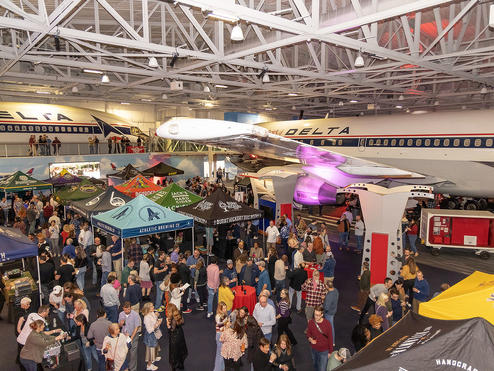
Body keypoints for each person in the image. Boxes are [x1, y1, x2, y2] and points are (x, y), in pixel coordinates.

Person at [306, 306, 333, 371]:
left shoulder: (327, 324)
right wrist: (310, 339)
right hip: (314, 349)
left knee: (322, 369)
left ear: (322, 315)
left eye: (318, 315)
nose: (316, 317)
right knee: (315, 365)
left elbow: (330, 338)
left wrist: (330, 352)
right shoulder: (311, 322)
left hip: (324, 351)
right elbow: (308, 334)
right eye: (315, 314)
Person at [118, 302, 141, 371]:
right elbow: (119, 326)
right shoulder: (121, 314)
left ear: (130, 308)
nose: (127, 311)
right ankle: (125, 367)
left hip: (133, 335)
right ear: (123, 308)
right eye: (125, 310)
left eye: (128, 309)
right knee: (123, 352)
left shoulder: (135, 315)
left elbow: (136, 327)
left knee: (133, 353)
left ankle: (132, 368)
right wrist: (121, 324)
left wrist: (131, 338)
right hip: (124, 336)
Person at [167, 303, 188, 371]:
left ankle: (174, 367)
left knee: (174, 353)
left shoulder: (172, 318)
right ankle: (181, 365)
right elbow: (182, 322)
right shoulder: (179, 313)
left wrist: (168, 325)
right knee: (181, 350)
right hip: (180, 335)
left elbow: (172, 330)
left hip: (174, 338)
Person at [142, 302, 162, 371]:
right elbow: (149, 330)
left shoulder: (152, 313)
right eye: (151, 306)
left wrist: (156, 316)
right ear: (148, 309)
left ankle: (155, 356)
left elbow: (154, 320)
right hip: (150, 336)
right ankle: (149, 365)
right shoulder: (146, 318)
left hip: (154, 334)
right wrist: (157, 324)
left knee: (155, 346)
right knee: (150, 352)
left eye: (153, 306)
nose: (153, 307)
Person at [214, 302, 229, 371]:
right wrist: (226, 325)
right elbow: (220, 328)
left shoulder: (224, 314)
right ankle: (217, 369)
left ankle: (222, 368)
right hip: (220, 335)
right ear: (220, 309)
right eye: (224, 308)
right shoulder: (218, 316)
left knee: (222, 353)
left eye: (226, 308)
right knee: (220, 353)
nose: (225, 309)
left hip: (223, 334)